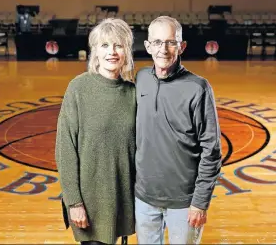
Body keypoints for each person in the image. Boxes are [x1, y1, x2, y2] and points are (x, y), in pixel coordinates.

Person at [134, 16, 222, 244]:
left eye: (171, 42)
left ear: (182, 47)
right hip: (144, 197)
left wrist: (200, 202)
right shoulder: (141, 79)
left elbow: (211, 151)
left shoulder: (198, 88)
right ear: (147, 46)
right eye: (157, 42)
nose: (163, 49)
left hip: (185, 202)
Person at [55, 18, 136, 245]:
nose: (112, 52)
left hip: (123, 201)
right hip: (90, 204)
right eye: (105, 45)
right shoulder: (78, 88)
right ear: (95, 52)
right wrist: (74, 202)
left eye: (118, 45)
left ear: (126, 52)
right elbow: (65, 149)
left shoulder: (133, 93)